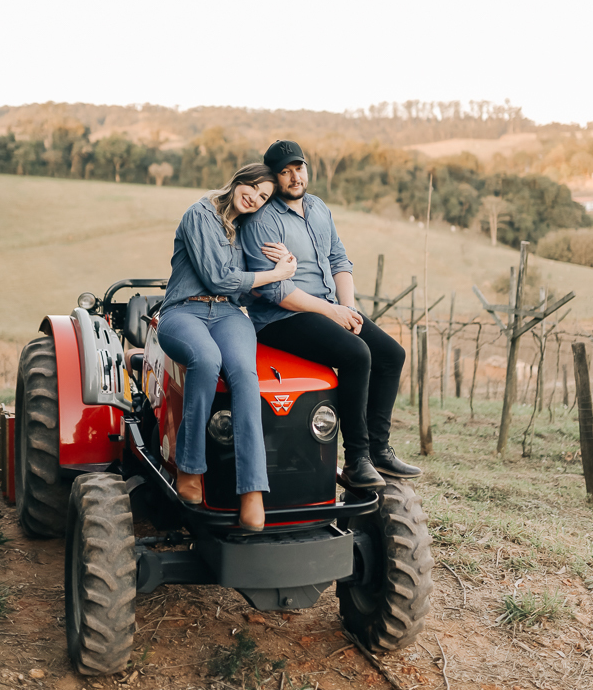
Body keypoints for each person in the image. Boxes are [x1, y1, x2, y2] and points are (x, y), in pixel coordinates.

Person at [241, 140, 421, 489]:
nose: (295, 177)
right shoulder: (263, 220)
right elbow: (276, 291)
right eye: (285, 172)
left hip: (330, 307)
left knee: (391, 355)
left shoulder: (319, 207)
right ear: (273, 177)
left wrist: (348, 307)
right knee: (356, 355)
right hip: (282, 318)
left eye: (300, 168)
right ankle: (357, 459)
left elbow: (339, 259)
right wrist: (333, 311)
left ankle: (380, 450)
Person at [157, 163, 297, 532]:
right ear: (239, 180)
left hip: (229, 313)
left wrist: (284, 260)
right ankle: (190, 470)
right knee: (206, 360)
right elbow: (218, 277)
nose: (255, 197)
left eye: (264, 196)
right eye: (253, 187)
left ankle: (252, 491)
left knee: (245, 376)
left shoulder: (246, 228)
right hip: (184, 310)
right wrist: (274, 274)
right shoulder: (200, 214)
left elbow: (243, 288)